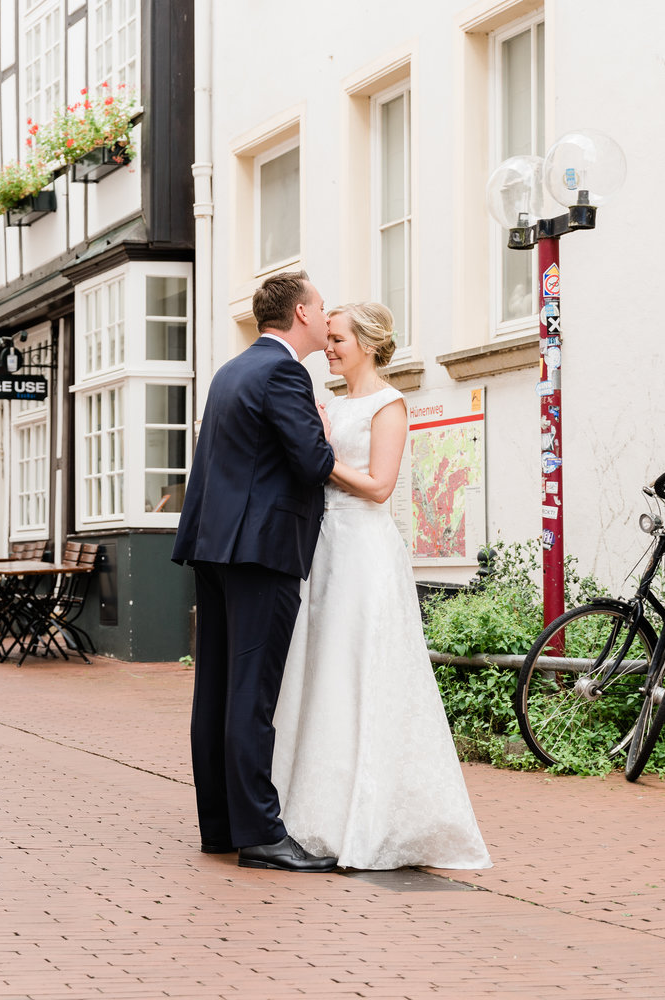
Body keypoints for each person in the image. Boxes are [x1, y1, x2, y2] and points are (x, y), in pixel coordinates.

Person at [272, 303, 491, 870]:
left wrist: (321, 457)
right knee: (324, 669)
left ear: (366, 343)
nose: (329, 345)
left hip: (365, 552)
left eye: (339, 338)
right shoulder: (334, 402)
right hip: (325, 546)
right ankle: (308, 811)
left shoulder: (389, 406)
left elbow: (379, 487)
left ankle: (365, 817)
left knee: (361, 665)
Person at [171, 271, 339, 873]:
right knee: (251, 694)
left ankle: (220, 826)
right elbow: (312, 461)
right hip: (261, 550)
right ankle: (262, 834)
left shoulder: (231, 370)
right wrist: (322, 427)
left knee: (215, 691)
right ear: (299, 312)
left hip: (215, 547)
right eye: (322, 308)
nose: (327, 318)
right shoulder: (284, 372)